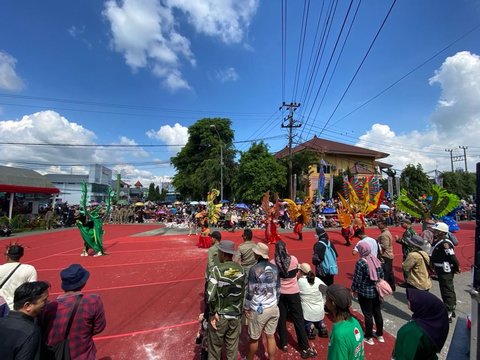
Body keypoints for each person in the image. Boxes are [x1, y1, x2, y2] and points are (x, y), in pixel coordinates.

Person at [41, 264, 106, 360]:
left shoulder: (47, 307)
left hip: (54, 354)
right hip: (83, 353)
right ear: (83, 283)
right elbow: (99, 328)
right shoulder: (93, 301)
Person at [273, 240, 316, 358]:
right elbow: (297, 273)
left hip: (281, 293)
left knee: (281, 318)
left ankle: (283, 343)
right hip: (293, 292)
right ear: (286, 249)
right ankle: (304, 346)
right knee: (298, 319)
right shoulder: (294, 260)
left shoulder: (273, 263)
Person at [206, 240, 246, 360]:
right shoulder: (241, 270)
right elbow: (243, 293)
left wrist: (213, 312)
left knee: (214, 349)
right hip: (236, 316)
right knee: (232, 349)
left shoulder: (216, 270)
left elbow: (210, 295)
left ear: (222, 253)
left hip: (220, 316)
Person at [244, 243, 280, 360]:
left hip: (259, 308)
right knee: (270, 336)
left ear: (257, 254)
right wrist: (275, 302)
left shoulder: (254, 269)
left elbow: (250, 291)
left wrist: (246, 307)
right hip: (273, 306)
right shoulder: (274, 268)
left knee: (254, 338)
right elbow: (278, 288)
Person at [392, 288, 449, 359]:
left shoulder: (413, 332)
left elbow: (405, 356)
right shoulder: (435, 329)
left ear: (424, 307)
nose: (408, 301)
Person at [0, 281, 50, 360]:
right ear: (28, 306)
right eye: (44, 301)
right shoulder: (31, 331)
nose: (47, 303)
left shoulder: (2, 321)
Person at [351, 242, 384, 346]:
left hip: (365, 292)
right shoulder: (375, 259)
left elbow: (357, 278)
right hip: (376, 291)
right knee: (377, 312)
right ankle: (380, 334)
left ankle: (368, 337)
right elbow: (381, 275)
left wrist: (353, 288)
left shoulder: (361, 262)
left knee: (368, 314)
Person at [430, 222, 460, 321]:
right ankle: (451, 308)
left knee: (447, 290)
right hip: (440, 269)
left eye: (436, 230)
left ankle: (449, 311)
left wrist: (456, 268)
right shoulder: (439, 241)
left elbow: (452, 257)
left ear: (441, 232)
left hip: (445, 270)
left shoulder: (445, 243)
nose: (434, 231)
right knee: (445, 289)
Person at [325, 284, 364, 360]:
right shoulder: (355, 322)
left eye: (326, 299)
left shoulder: (339, 335)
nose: (325, 301)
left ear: (333, 303)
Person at [0, 243, 38, 309]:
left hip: (3, 307)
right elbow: (32, 290)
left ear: (7, 256)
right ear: (21, 255)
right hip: (20, 307)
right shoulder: (29, 269)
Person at [297, 263, 328, 339]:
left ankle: (310, 327)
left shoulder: (300, 281)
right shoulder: (317, 280)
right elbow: (326, 290)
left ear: (301, 271)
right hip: (319, 309)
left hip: (307, 311)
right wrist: (323, 301)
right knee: (319, 319)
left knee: (306, 321)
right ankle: (322, 325)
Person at [396, 218, 417, 287]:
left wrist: (398, 239)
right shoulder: (413, 230)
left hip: (408, 251)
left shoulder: (408, 232)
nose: (401, 225)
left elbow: (407, 242)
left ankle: (408, 282)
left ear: (406, 223)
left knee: (406, 267)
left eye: (402, 223)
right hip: (413, 250)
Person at [376, 219, 395, 291]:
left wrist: (377, 243)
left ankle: (385, 288)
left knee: (385, 273)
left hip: (386, 255)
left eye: (379, 224)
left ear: (383, 225)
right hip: (388, 255)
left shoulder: (384, 234)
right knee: (389, 272)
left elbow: (384, 246)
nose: (378, 225)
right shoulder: (386, 232)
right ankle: (392, 286)